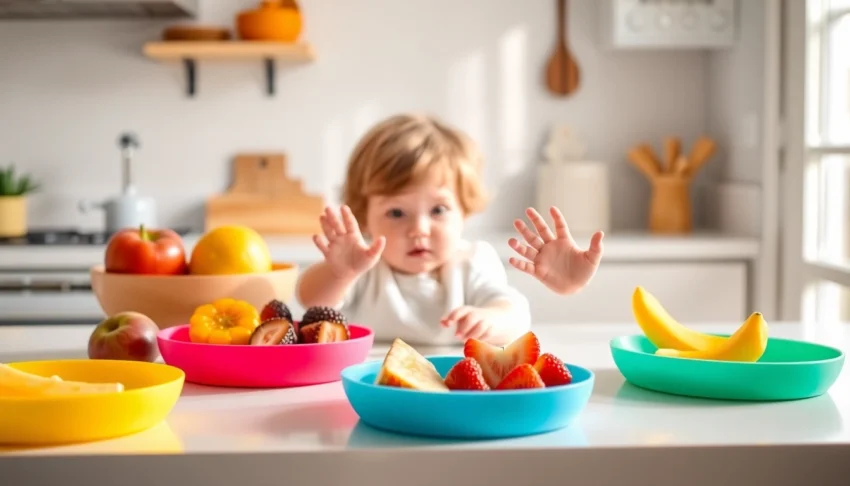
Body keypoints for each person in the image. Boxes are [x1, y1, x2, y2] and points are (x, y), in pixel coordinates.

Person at [295, 113, 603, 346]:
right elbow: (311, 299)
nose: (419, 229)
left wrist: (491, 320)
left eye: (438, 210)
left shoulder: (471, 262)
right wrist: (340, 274)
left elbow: (515, 316)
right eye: (397, 212)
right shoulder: (364, 267)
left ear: (464, 209)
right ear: (365, 214)